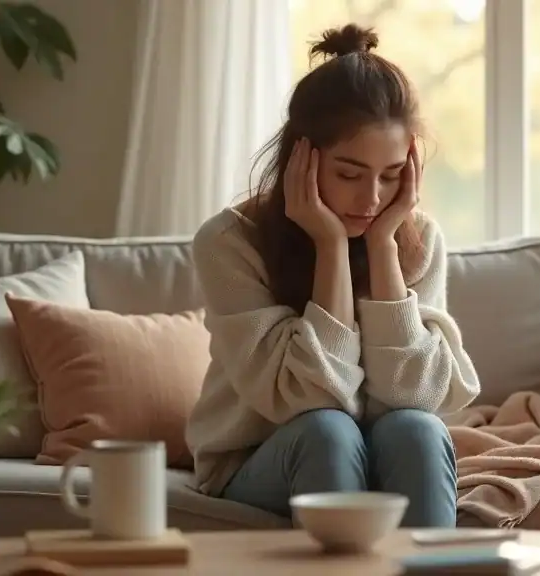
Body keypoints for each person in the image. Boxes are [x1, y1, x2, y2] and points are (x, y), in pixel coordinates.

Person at [184, 23, 481, 529]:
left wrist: (383, 247)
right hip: (261, 458)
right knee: (328, 431)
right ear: (301, 157)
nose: (371, 199)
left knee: (418, 431)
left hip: (377, 447)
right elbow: (312, 399)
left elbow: (419, 397)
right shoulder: (228, 243)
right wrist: (330, 246)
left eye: (390, 176)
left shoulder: (417, 238)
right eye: (348, 174)